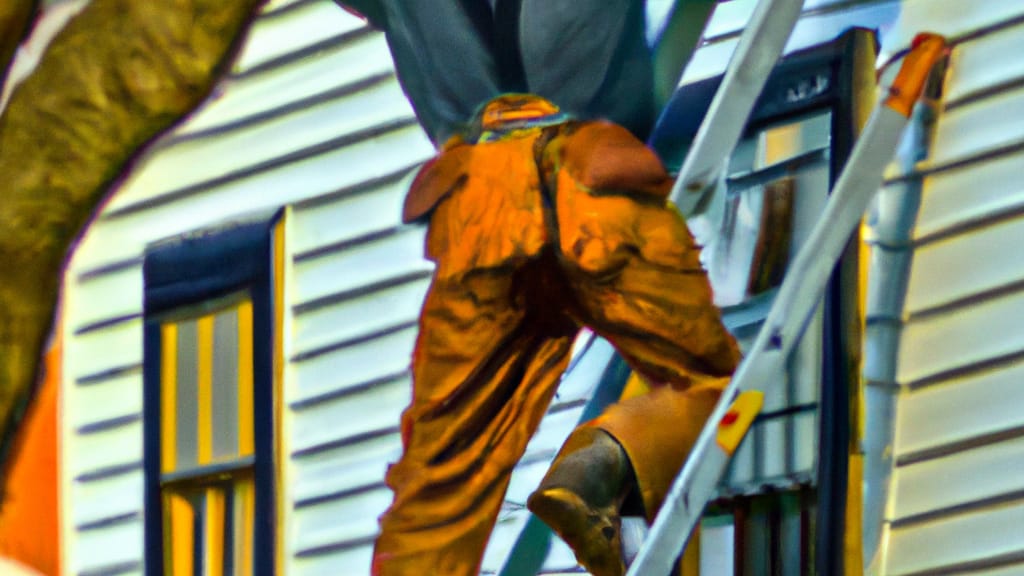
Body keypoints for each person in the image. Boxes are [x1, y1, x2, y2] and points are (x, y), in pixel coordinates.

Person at [335, 2, 740, 575]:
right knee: (716, 384)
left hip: (481, 207)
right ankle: (596, 471)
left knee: (438, 493)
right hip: (591, 182)